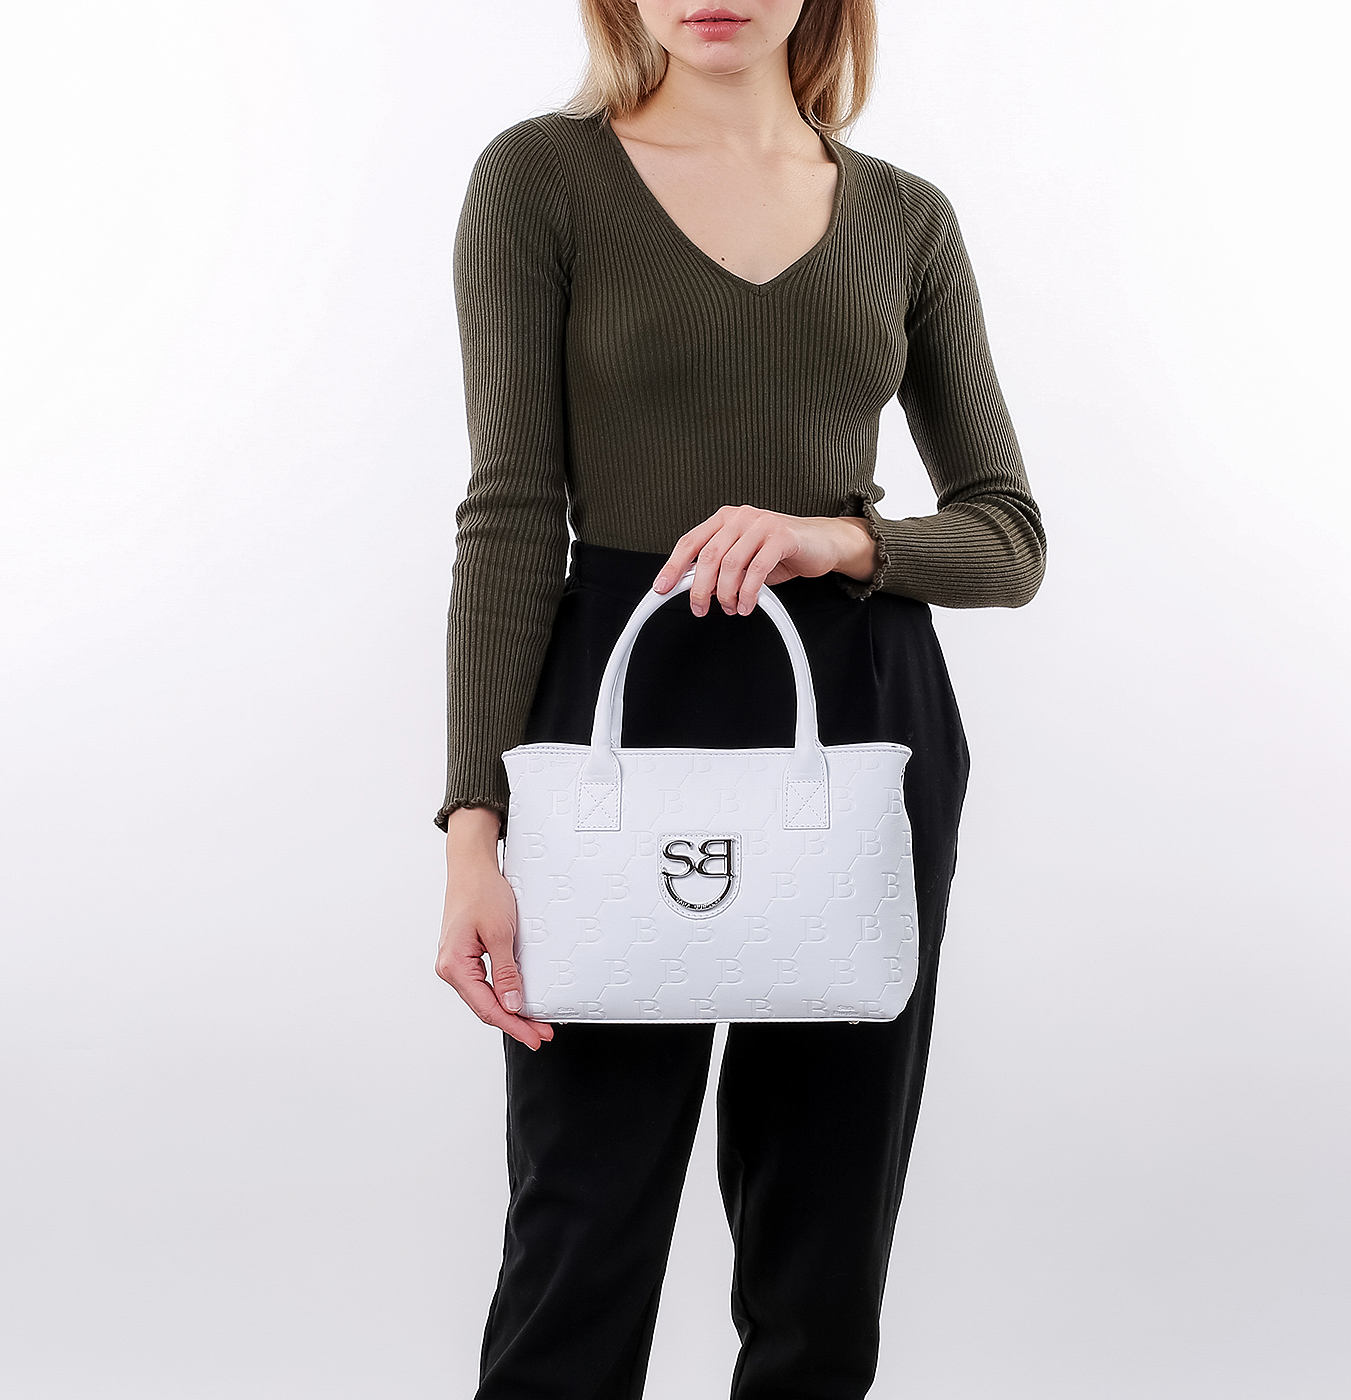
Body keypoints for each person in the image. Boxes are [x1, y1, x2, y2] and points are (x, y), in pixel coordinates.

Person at [434, 1, 1046, 1395]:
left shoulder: (904, 219)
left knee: (824, 1246)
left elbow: (1008, 538)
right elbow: (511, 511)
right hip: (616, 714)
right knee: (581, 1229)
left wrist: (843, 540)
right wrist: (472, 828)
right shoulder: (542, 180)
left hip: (856, 721)